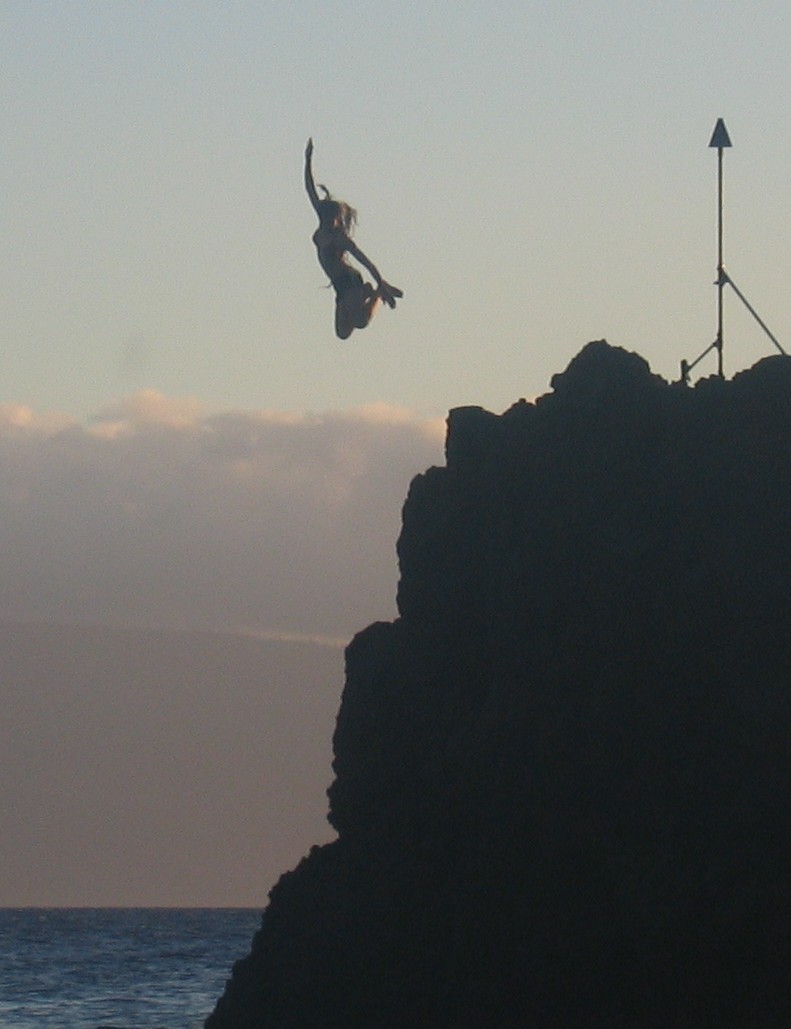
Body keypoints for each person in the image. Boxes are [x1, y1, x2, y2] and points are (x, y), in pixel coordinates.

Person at [305, 138, 402, 339]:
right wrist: (308, 160)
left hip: (349, 280)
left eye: (336, 220)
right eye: (331, 220)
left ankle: (377, 294)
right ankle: (371, 292)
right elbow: (310, 190)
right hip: (339, 285)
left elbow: (364, 260)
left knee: (361, 321)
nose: (334, 223)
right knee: (342, 334)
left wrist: (380, 279)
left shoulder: (340, 239)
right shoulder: (322, 222)